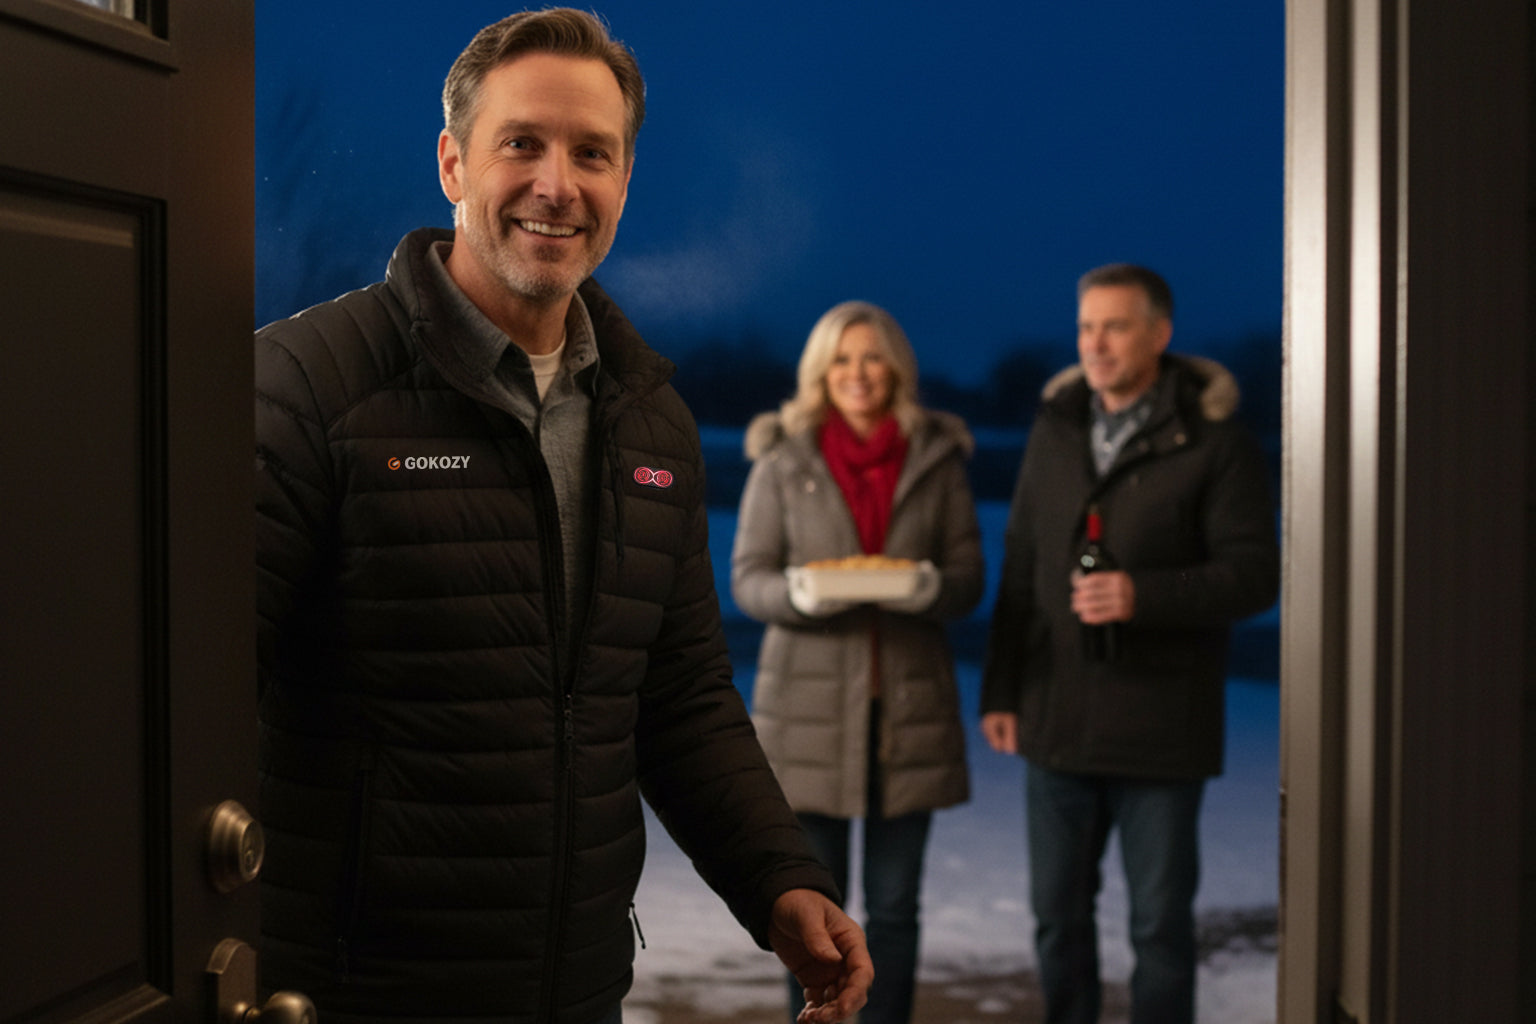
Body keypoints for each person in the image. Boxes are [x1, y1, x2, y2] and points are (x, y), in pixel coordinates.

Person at [253, 11, 871, 1024]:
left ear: (626, 180)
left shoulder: (650, 420)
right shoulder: (307, 388)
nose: (558, 183)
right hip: (352, 988)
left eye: (594, 153)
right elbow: (187, 715)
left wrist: (779, 877)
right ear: (453, 163)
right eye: (522, 144)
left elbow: (678, 695)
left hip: (576, 983)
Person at [979, 264, 1279, 1024]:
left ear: (1159, 333)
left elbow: (1253, 577)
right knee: (1057, 922)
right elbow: (1020, 560)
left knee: (1160, 929)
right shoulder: (1055, 429)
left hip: (1161, 732)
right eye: (1086, 327)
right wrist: (1001, 689)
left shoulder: (1215, 442)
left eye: (1115, 326)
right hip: (1056, 719)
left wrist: (1142, 595)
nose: (1096, 343)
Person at [731, 301, 985, 1024]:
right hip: (806, 722)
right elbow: (747, 578)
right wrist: (800, 593)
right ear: (820, 372)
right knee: (811, 912)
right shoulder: (783, 457)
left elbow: (968, 578)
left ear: (896, 368)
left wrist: (930, 586)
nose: (858, 374)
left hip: (910, 718)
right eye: (841, 359)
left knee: (898, 908)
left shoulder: (937, 456)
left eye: (872, 357)